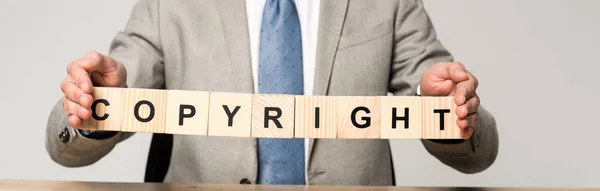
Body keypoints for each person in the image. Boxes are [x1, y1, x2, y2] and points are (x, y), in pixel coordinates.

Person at [46, 0, 498, 185]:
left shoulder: (388, 3)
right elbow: (63, 147)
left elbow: (479, 150)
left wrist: (449, 110)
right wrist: (97, 103)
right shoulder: (171, 5)